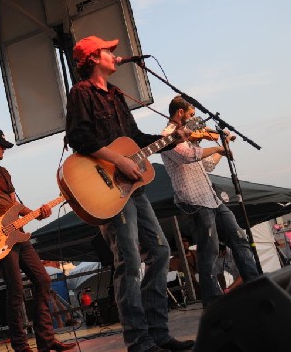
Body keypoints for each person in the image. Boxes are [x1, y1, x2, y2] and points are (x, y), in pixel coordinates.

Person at [65, 36, 194, 352]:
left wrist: (172, 139)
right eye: (109, 51)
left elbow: (134, 139)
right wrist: (118, 159)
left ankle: (158, 334)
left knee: (161, 251)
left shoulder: (116, 95)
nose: (115, 55)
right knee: (129, 259)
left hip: (131, 188)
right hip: (106, 188)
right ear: (95, 58)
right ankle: (139, 341)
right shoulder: (81, 93)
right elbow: (78, 136)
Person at [0, 128, 75, 352]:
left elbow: (15, 206)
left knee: (43, 280)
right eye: (1, 145)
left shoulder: (4, 172)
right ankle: (21, 346)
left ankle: (46, 339)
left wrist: (37, 212)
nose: (4, 149)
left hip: (17, 235)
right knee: (15, 289)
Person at [160, 95, 259, 307]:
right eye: (191, 115)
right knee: (210, 249)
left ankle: (254, 283)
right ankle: (213, 301)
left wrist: (221, 149)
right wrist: (215, 147)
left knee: (239, 237)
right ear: (180, 113)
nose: (194, 120)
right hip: (194, 199)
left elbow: (206, 166)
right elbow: (188, 156)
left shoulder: (189, 137)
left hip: (211, 197)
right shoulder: (168, 136)